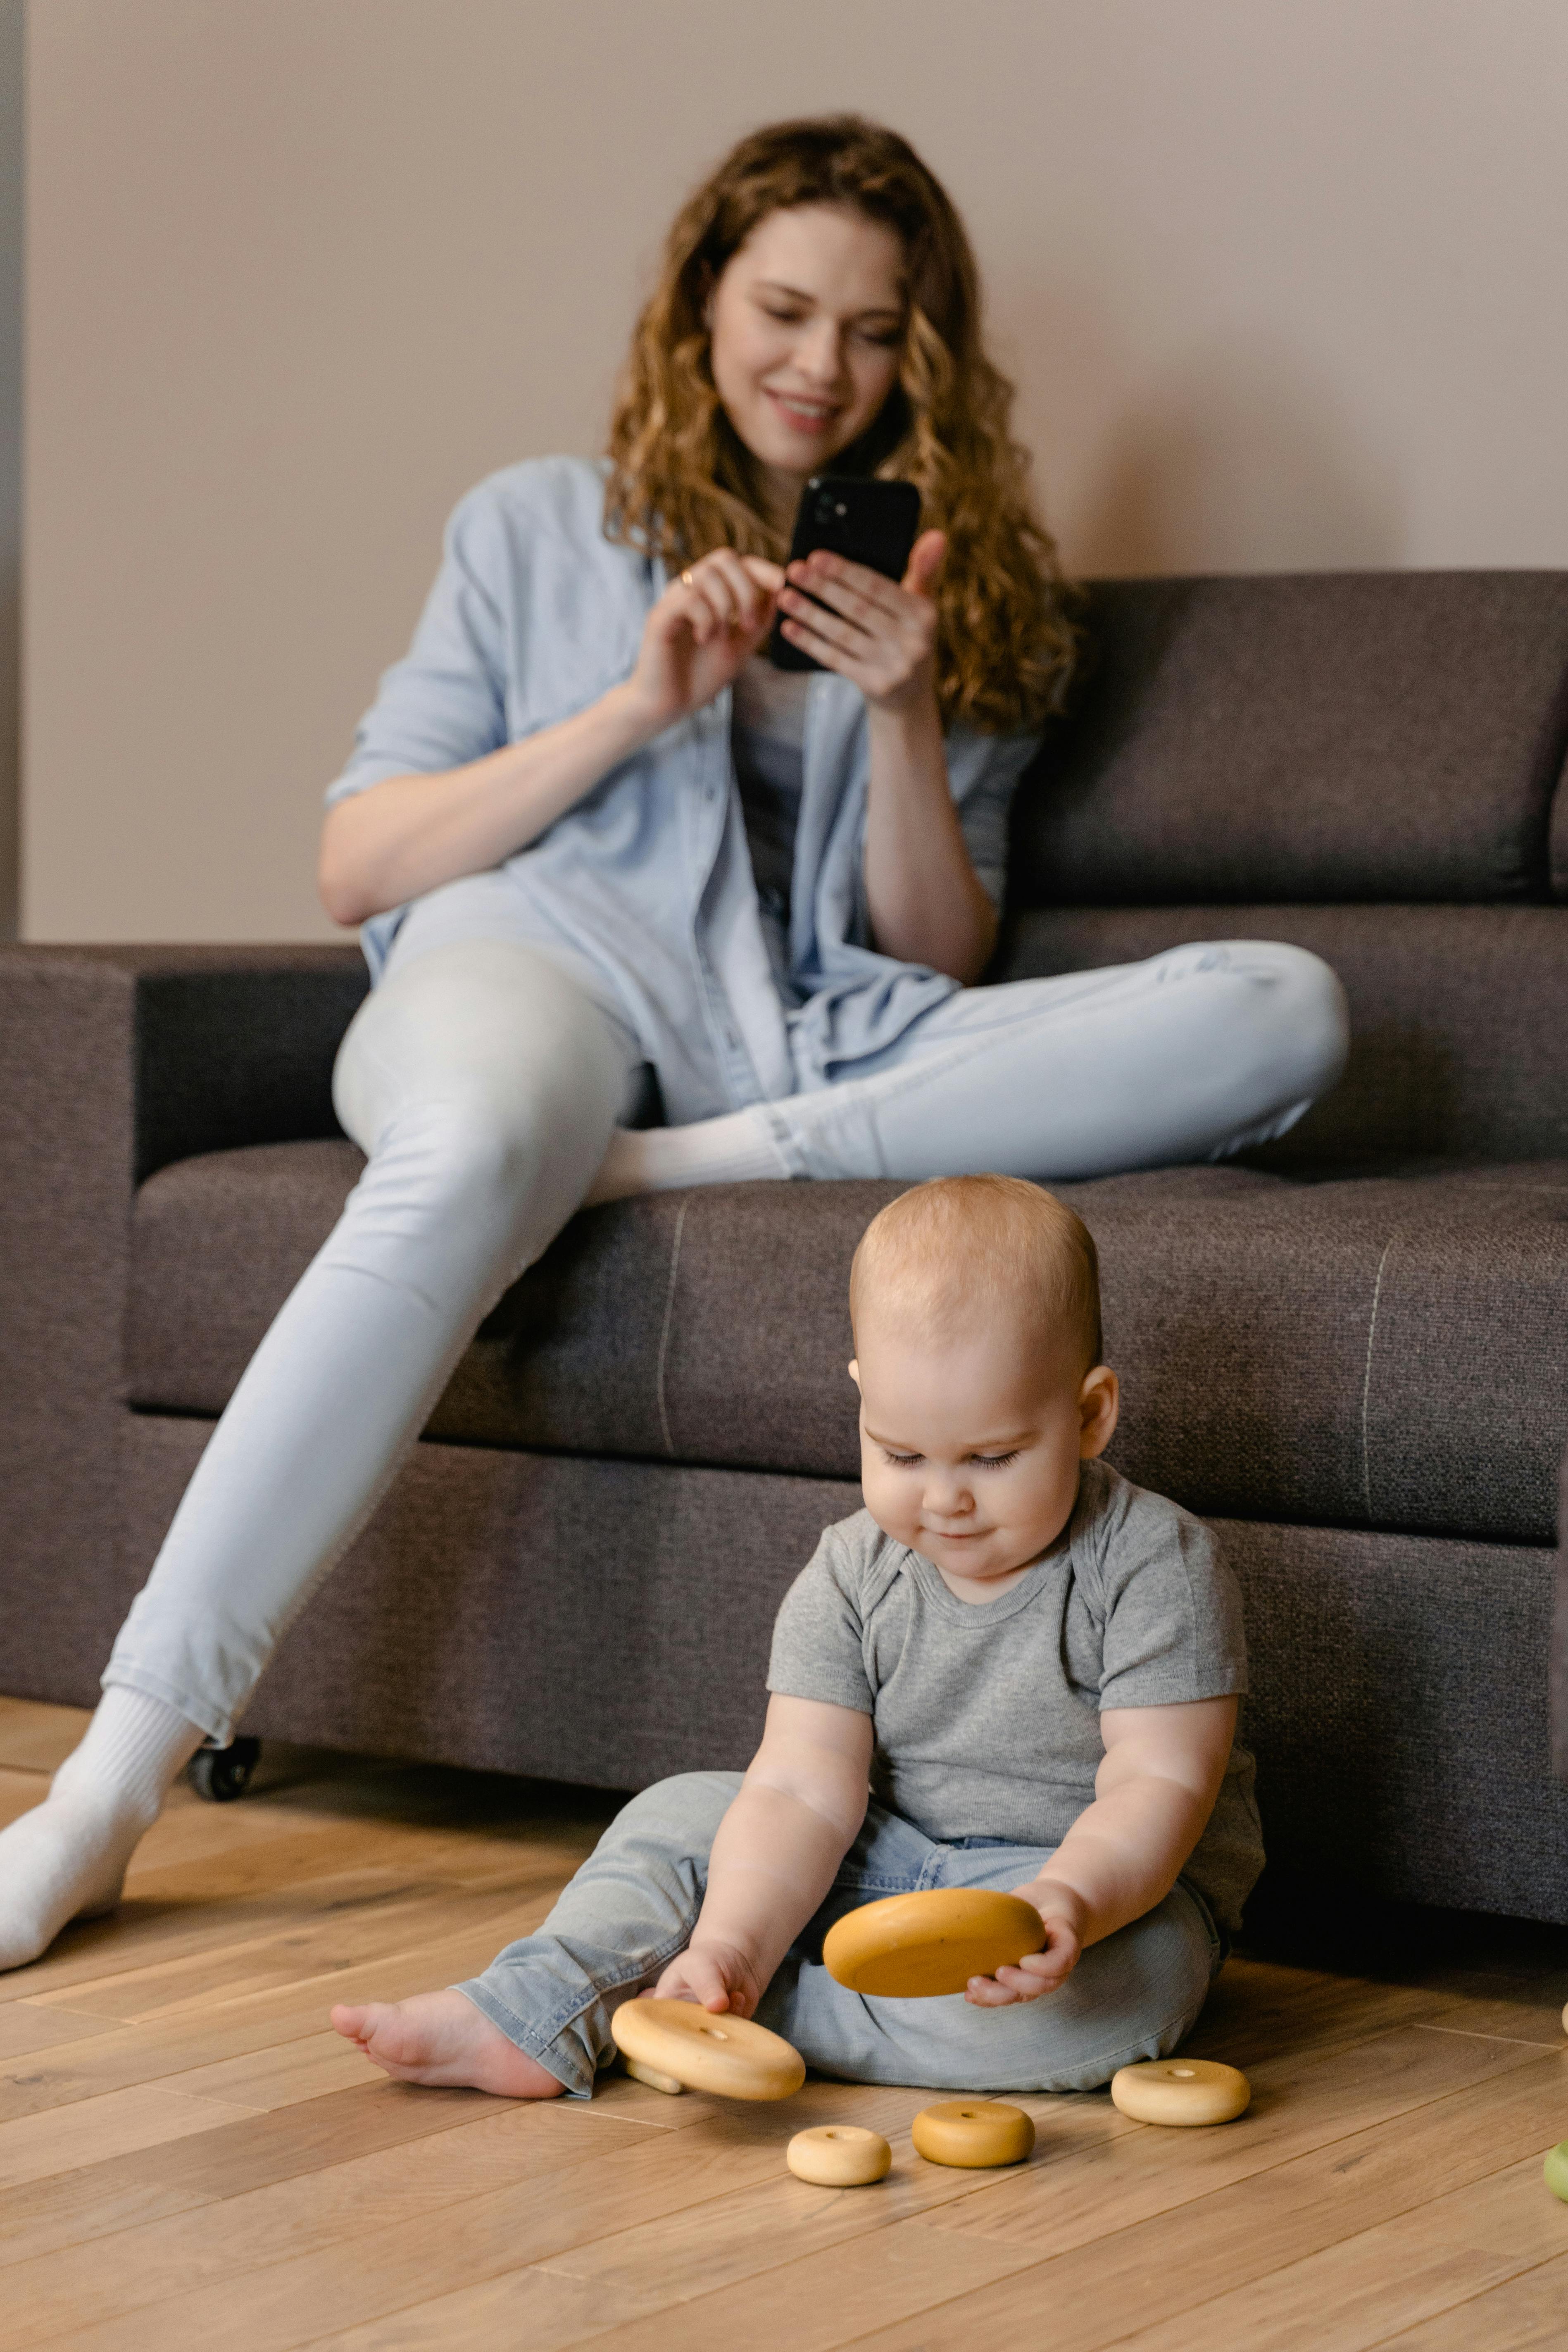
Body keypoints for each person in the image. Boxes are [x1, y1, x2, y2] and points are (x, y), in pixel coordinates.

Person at [0, 114, 1341, 1975]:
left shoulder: (977, 588)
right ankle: (109, 1783)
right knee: (470, 1151)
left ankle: (651, 1169)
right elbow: (355, 860)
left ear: (922, 354)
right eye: (783, 309)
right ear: (698, 306)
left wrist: (900, 708)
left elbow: (937, 952)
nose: (821, 366)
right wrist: (639, 705)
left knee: (1287, 1009)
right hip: (532, 968)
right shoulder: (536, 525)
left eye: (875, 331)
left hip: (800, 1045)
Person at [331, 1176, 1259, 2096]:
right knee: (681, 1815)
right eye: (899, 1453)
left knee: (1137, 1982)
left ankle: (723, 2015)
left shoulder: (1151, 1563)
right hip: (882, 1856)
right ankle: (540, 2003)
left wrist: (1065, 1902)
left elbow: (1157, 1782)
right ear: (860, 1398)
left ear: (1090, 1413)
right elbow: (802, 1788)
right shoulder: (851, 1572)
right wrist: (731, 1936)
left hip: (1081, 1894)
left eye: (992, 1456)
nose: (944, 1497)